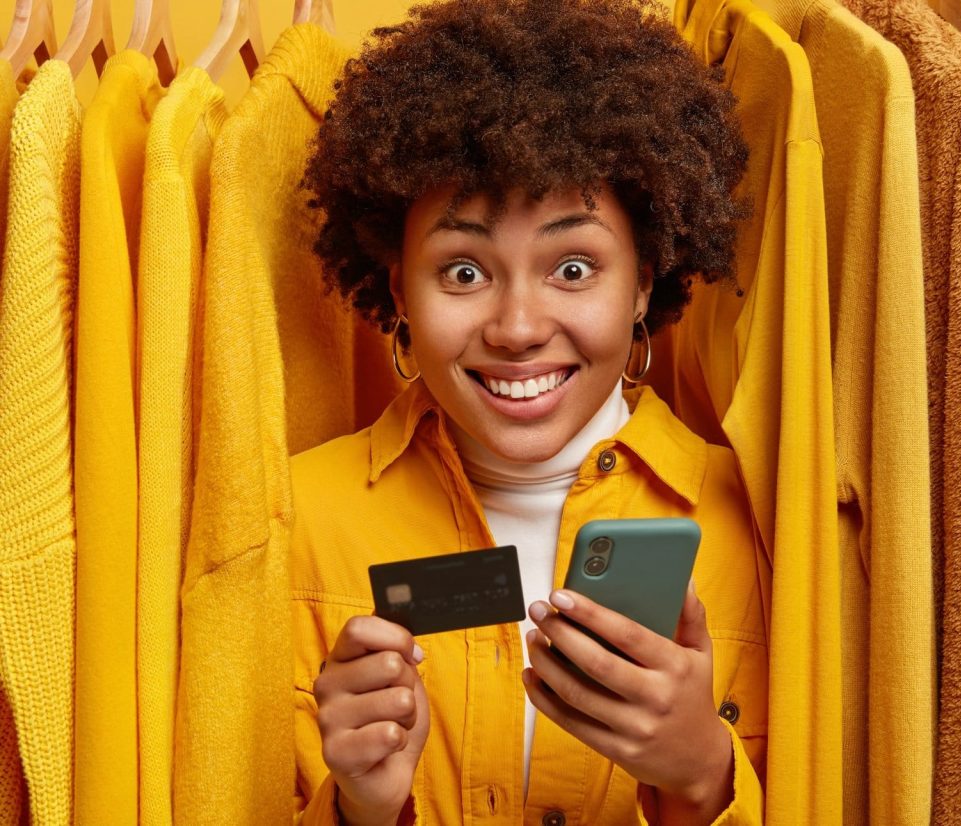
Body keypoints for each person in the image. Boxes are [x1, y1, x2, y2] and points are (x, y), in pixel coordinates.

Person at [294, 0, 765, 823]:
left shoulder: (760, 524)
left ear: (645, 282)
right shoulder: (291, 521)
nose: (517, 329)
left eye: (574, 267)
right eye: (464, 272)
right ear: (401, 289)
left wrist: (700, 779)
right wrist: (361, 810)